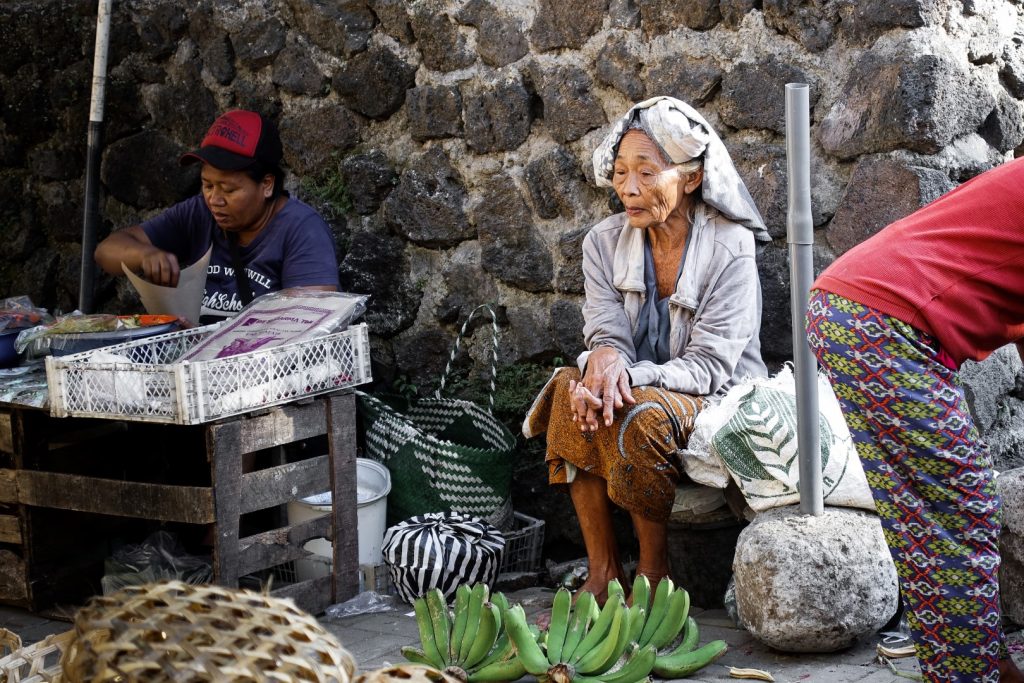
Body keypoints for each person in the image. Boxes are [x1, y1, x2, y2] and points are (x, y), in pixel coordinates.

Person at [524, 96, 770, 604]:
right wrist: (604, 363)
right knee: (571, 391)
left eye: (646, 173)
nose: (629, 189)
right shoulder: (602, 242)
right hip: (636, 388)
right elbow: (605, 332)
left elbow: (709, 367)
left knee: (637, 414)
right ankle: (603, 572)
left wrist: (623, 378)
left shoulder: (730, 247)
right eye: (619, 173)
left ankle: (655, 579)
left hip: (716, 400)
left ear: (692, 178)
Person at [805, 157, 1024, 682]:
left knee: (929, 515)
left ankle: (980, 659)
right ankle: (968, 672)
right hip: (879, 320)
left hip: (854, 310)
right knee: (957, 507)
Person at [95, 109, 339, 324]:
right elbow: (106, 252)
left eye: (229, 189)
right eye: (208, 185)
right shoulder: (199, 213)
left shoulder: (302, 230)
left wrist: (212, 341)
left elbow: (306, 324)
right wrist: (143, 254)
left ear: (266, 184)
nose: (215, 200)